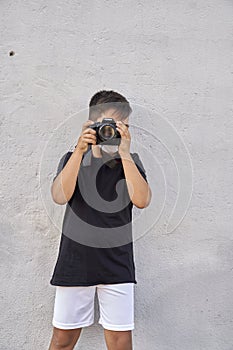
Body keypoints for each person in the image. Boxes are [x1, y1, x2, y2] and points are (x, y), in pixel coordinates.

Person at [48, 90, 152, 350]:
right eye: (108, 125)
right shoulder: (73, 159)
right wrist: (80, 149)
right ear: (93, 124)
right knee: (62, 341)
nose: (113, 132)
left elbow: (142, 200)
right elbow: (60, 196)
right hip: (75, 260)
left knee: (119, 342)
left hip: (117, 263)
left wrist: (125, 154)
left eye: (122, 126)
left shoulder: (131, 162)